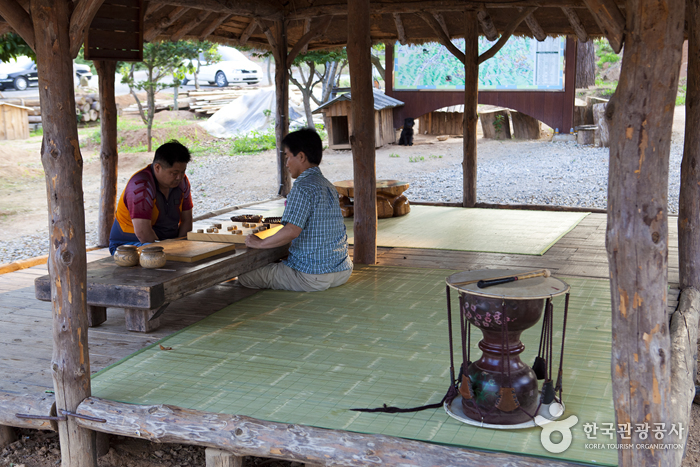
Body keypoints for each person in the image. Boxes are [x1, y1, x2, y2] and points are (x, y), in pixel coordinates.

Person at [238, 128, 353, 292]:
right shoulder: (327, 184)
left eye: (287, 156)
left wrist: (261, 243)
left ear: (301, 156)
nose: (286, 164)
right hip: (342, 270)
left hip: (311, 276)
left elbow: (292, 231)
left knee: (245, 276)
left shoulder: (302, 187)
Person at [108, 140, 193, 254]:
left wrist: (181, 245)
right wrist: (171, 252)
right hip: (128, 245)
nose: (179, 177)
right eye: (174, 173)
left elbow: (187, 220)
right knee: (156, 259)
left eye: (183, 171)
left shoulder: (182, 182)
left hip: (166, 243)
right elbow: (143, 233)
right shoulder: (140, 186)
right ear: (157, 167)